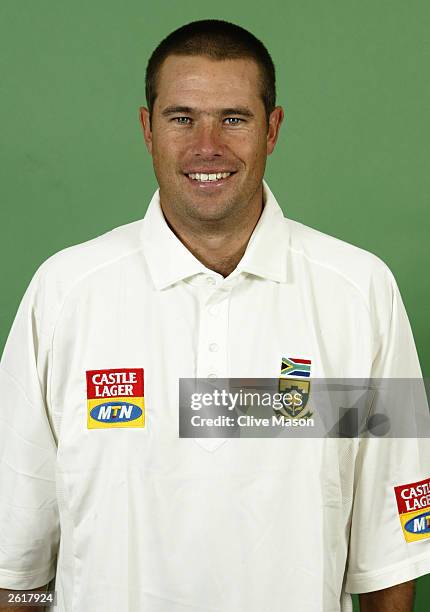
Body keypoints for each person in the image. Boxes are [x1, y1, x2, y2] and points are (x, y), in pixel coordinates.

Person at [0, 18, 429, 612]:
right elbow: (17, 556)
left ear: (272, 129)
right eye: (182, 118)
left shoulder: (361, 292)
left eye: (234, 117)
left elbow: (391, 553)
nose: (208, 146)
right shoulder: (64, 292)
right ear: (147, 129)